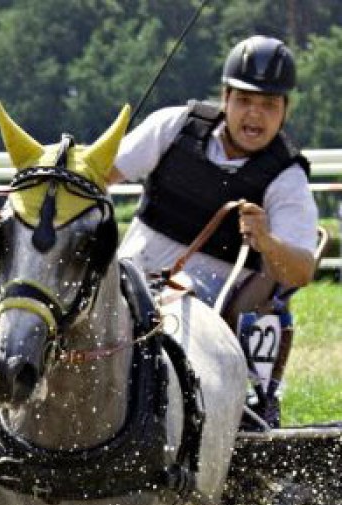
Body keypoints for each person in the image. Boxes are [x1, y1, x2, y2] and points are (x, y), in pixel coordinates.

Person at [108, 35, 319, 309]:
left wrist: (267, 242)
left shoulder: (288, 178)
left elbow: (301, 273)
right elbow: (99, 175)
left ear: (285, 111)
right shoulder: (174, 125)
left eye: (269, 105)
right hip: (125, 282)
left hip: (208, 312)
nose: (255, 114)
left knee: (179, 297)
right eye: (244, 100)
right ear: (225, 98)